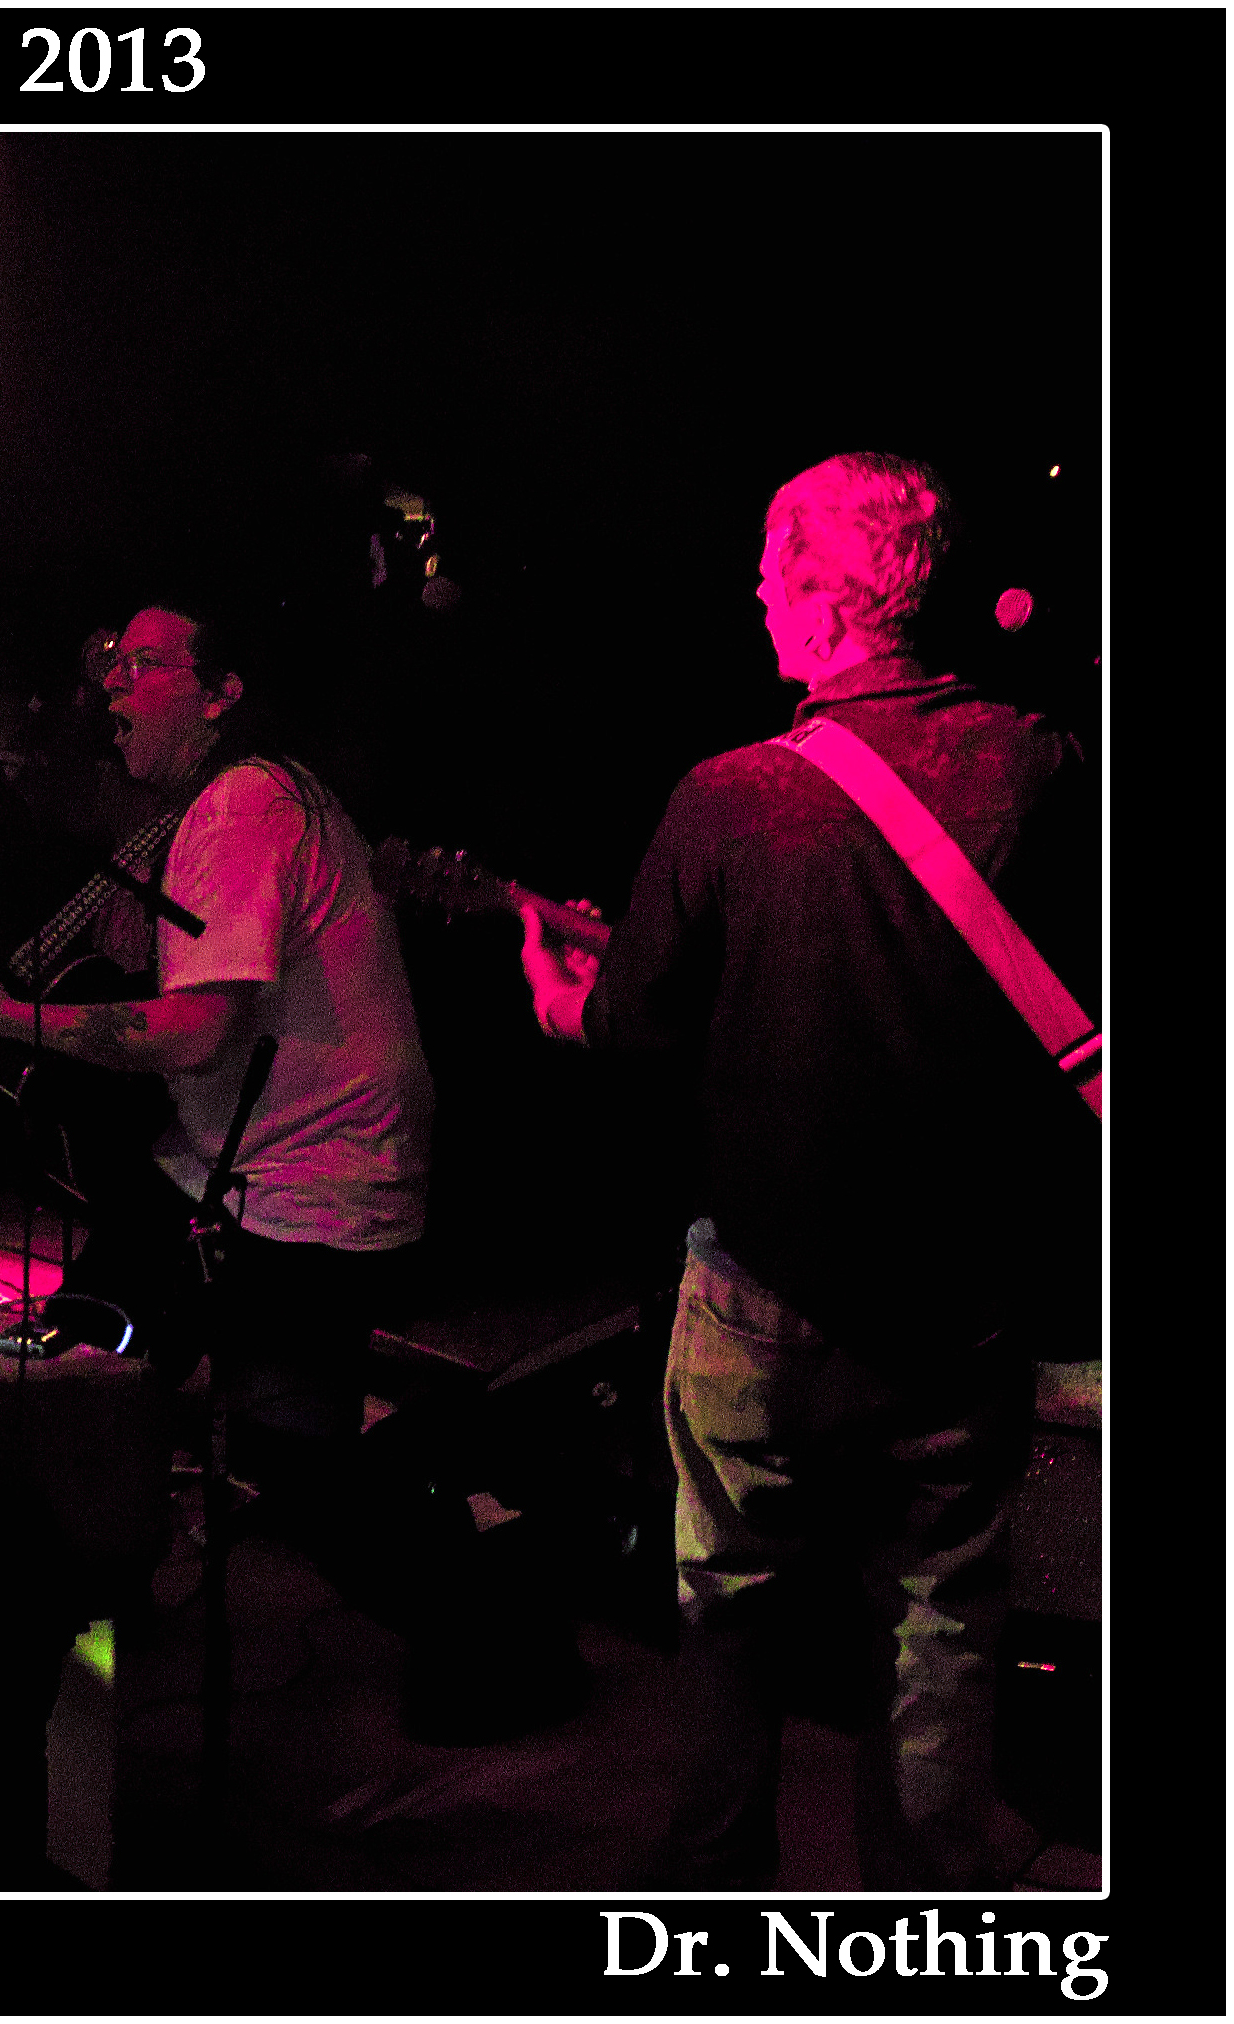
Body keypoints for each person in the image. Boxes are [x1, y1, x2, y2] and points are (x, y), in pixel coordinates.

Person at [516, 452, 1097, 1889]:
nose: (761, 596)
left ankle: (718, 1896)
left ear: (828, 603)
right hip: (963, 1298)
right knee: (942, 1616)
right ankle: (927, 1912)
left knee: (729, 1603)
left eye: (775, 574)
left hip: (765, 1289)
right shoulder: (1042, 764)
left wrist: (559, 996)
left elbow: (637, 1025)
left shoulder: (729, 796)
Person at [0, 603, 435, 1467]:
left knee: (285, 1474)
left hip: (307, 1189)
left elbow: (196, 1035)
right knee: (81, 1379)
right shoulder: (261, 792)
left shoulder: (244, 805)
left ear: (220, 696)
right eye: (115, 661)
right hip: (242, 1165)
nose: (112, 680)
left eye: (143, 663)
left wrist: (5, 1016)